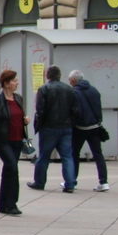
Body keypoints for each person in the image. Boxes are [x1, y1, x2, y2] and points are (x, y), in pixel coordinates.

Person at [27, 65, 78, 193]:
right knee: (67, 156)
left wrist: (38, 126)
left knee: (44, 156)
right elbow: (75, 110)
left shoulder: (44, 89)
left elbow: (40, 110)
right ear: (60, 75)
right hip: (66, 127)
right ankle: (70, 184)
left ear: (47, 76)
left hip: (49, 127)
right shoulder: (69, 89)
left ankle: (39, 182)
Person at [0, 69, 28, 215]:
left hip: (17, 139)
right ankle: (11, 204)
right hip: (3, 141)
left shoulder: (18, 99)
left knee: (9, 171)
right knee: (12, 168)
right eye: (14, 81)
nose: (16, 83)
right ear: (6, 83)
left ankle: (3, 204)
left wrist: (25, 121)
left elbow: (18, 117)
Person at [69, 70, 109, 192]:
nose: (69, 83)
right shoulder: (94, 90)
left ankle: (72, 181)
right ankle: (104, 182)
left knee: (74, 154)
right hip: (95, 127)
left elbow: (75, 111)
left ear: (74, 81)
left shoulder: (74, 92)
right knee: (98, 155)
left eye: (70, 80)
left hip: (80, 128)